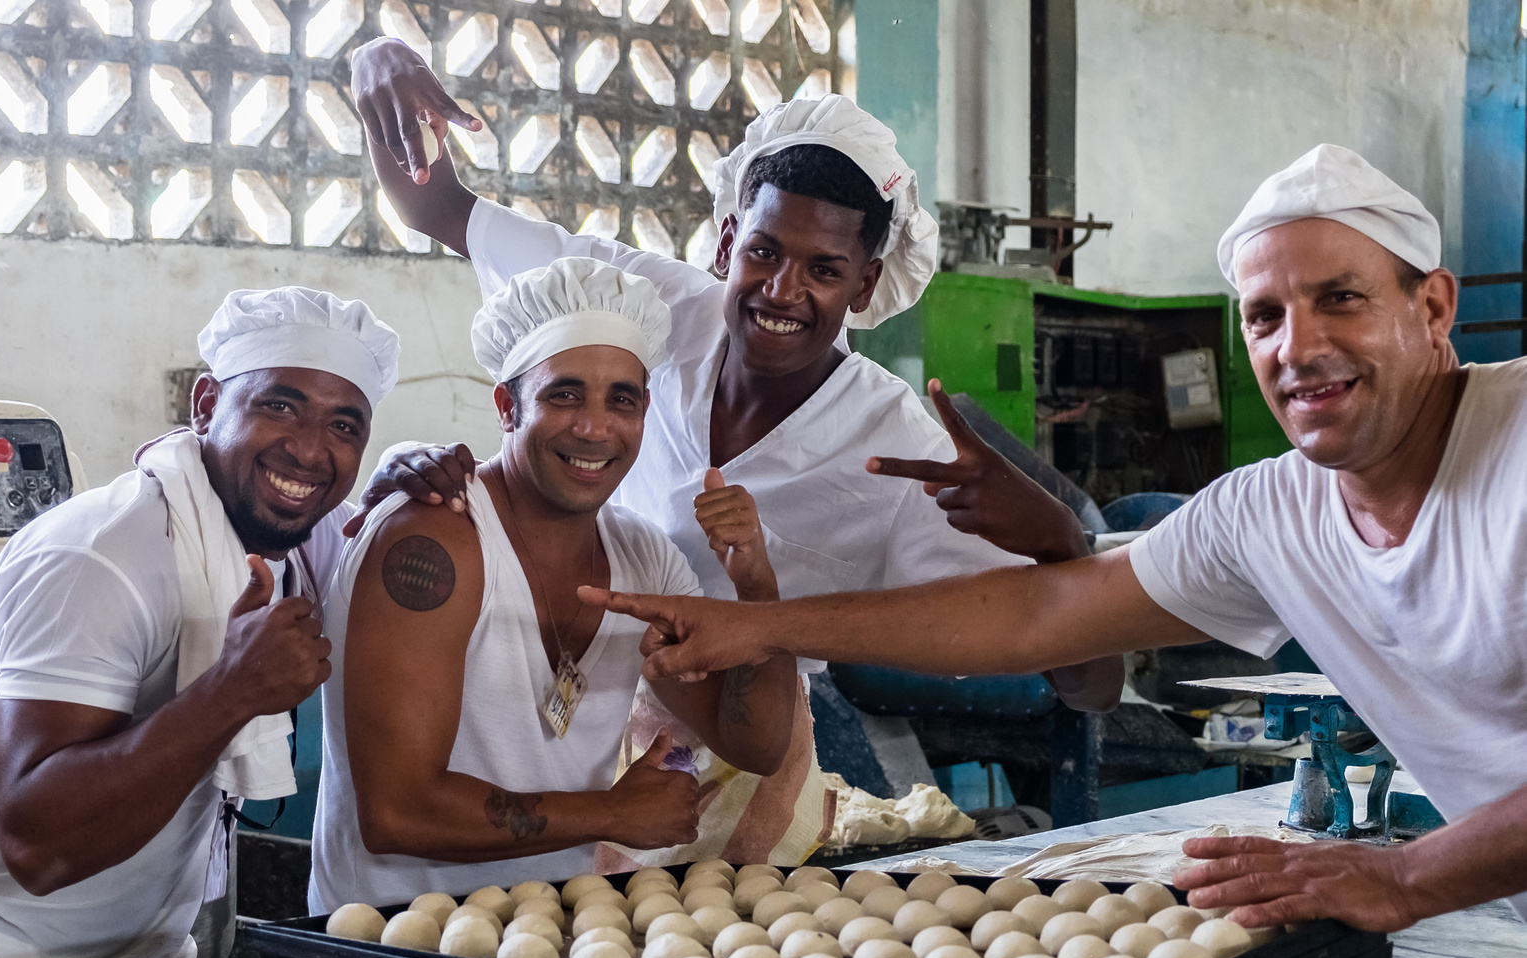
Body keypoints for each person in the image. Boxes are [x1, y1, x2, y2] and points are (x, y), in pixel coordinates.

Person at [578, 143, 1527, 933]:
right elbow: (1044, 618)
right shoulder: (1270, 511)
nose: (1299, 347)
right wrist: (767, 627)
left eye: (1342, 299)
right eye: (1266, 317)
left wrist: (1404, 878)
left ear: (1434, 307)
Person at [349, 41, 1123, 866]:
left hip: (755, 740)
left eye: (824, 269)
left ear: (865, 287)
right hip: (583, 726)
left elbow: (1082, 678)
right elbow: (438, 210)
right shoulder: (639, 313)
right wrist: (378, 70)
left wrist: (1059, 544)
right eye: (763, 252)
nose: (783, 292)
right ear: (725, 243)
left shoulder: (898, 451)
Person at [0, 288, 431, 958]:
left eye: (344, 425)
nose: (312, 449)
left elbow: (383, 519)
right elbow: (39, 847)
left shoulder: (287, 537)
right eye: (280, 407)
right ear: (207, 402)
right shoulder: (100, 555)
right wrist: (232, 689)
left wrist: (418, 467)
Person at [310, 258, 798, 908]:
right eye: (564, 394)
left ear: (644, 411)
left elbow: (754, 745)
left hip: (552, 944)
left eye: (620, 399)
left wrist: (760, 590)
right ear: (507, 406)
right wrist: (609, 813)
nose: (594, 427)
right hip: (394, 952)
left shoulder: (643, 559)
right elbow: (396, 813)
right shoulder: (432, 541)